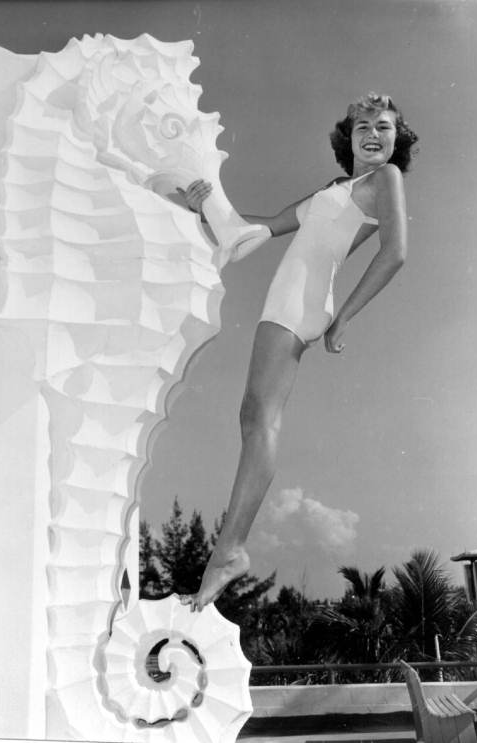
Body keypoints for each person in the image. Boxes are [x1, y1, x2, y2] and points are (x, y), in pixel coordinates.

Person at [178, 92, 418, 611]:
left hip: (304, 301)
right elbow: (250, 234)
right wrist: (202, 204)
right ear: (347, 137)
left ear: (397, 140)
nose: (374, 134)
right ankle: (229, 549)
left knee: (260, 419)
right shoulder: (338, 187)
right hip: (283, 298)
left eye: (385, 127)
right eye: (363, 126)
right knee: (252, 416)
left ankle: (231, 550)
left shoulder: (385, 181)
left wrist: (344, 315)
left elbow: (395, 252)